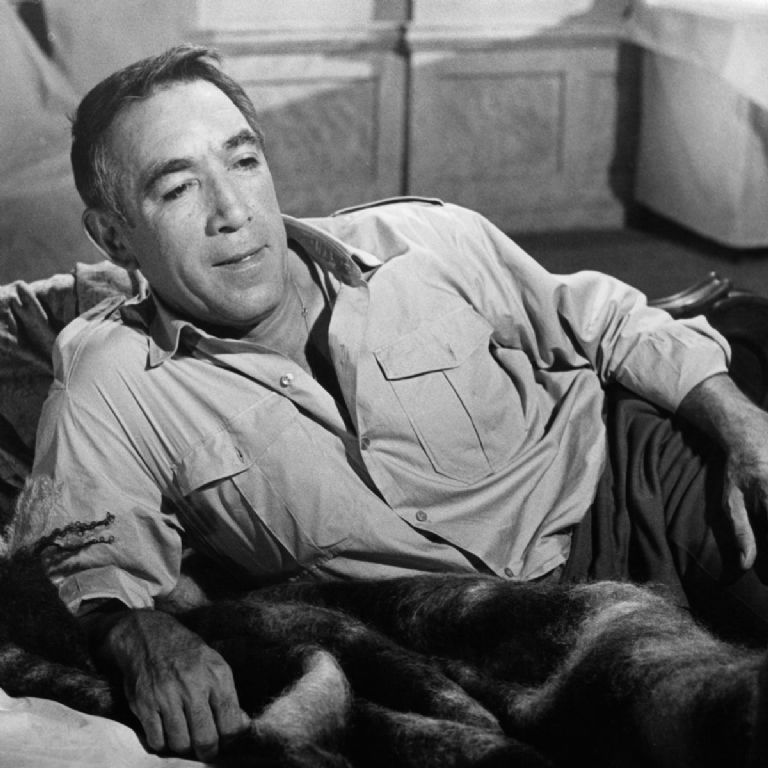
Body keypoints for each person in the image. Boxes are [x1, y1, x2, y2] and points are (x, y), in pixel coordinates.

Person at [30, 44, 768, 761]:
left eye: (244, 161)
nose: (232, 211)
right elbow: (85, 563)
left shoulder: (420, 238)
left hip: (628, 484)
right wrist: (134, 633)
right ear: (114, 237)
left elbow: (609, 321)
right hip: (479, 627)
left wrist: (742, 423)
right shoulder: (113, 377)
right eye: (178, 189)